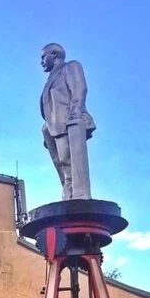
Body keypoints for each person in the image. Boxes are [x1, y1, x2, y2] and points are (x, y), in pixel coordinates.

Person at [40, 43, 96, 200]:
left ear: (55, 55)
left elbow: (79, 88)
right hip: (51, 127)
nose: (41, 61)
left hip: (67, 121)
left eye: (44, 56)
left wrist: (75, 112)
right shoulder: (51, 78)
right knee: (60, 161)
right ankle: (68, 190)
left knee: (67, 159)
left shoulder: (71, 67)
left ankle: (75, 192)